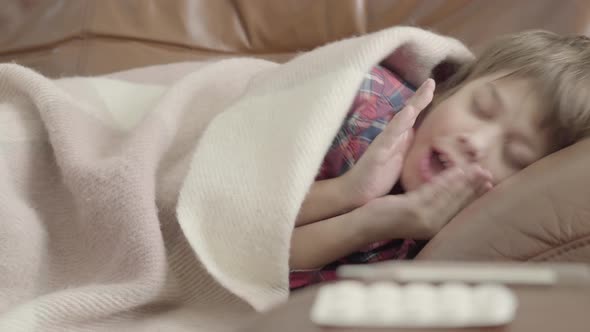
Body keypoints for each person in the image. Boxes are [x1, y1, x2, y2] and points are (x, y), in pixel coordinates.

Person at [289, 30, 590, 289]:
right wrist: (347, 191)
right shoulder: (365, 106)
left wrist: (370, 223)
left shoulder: (448, 244)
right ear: (449, 89)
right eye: (481, 107)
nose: (476, 142)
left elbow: (269, 269)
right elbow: (248, 223)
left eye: (515, 156)